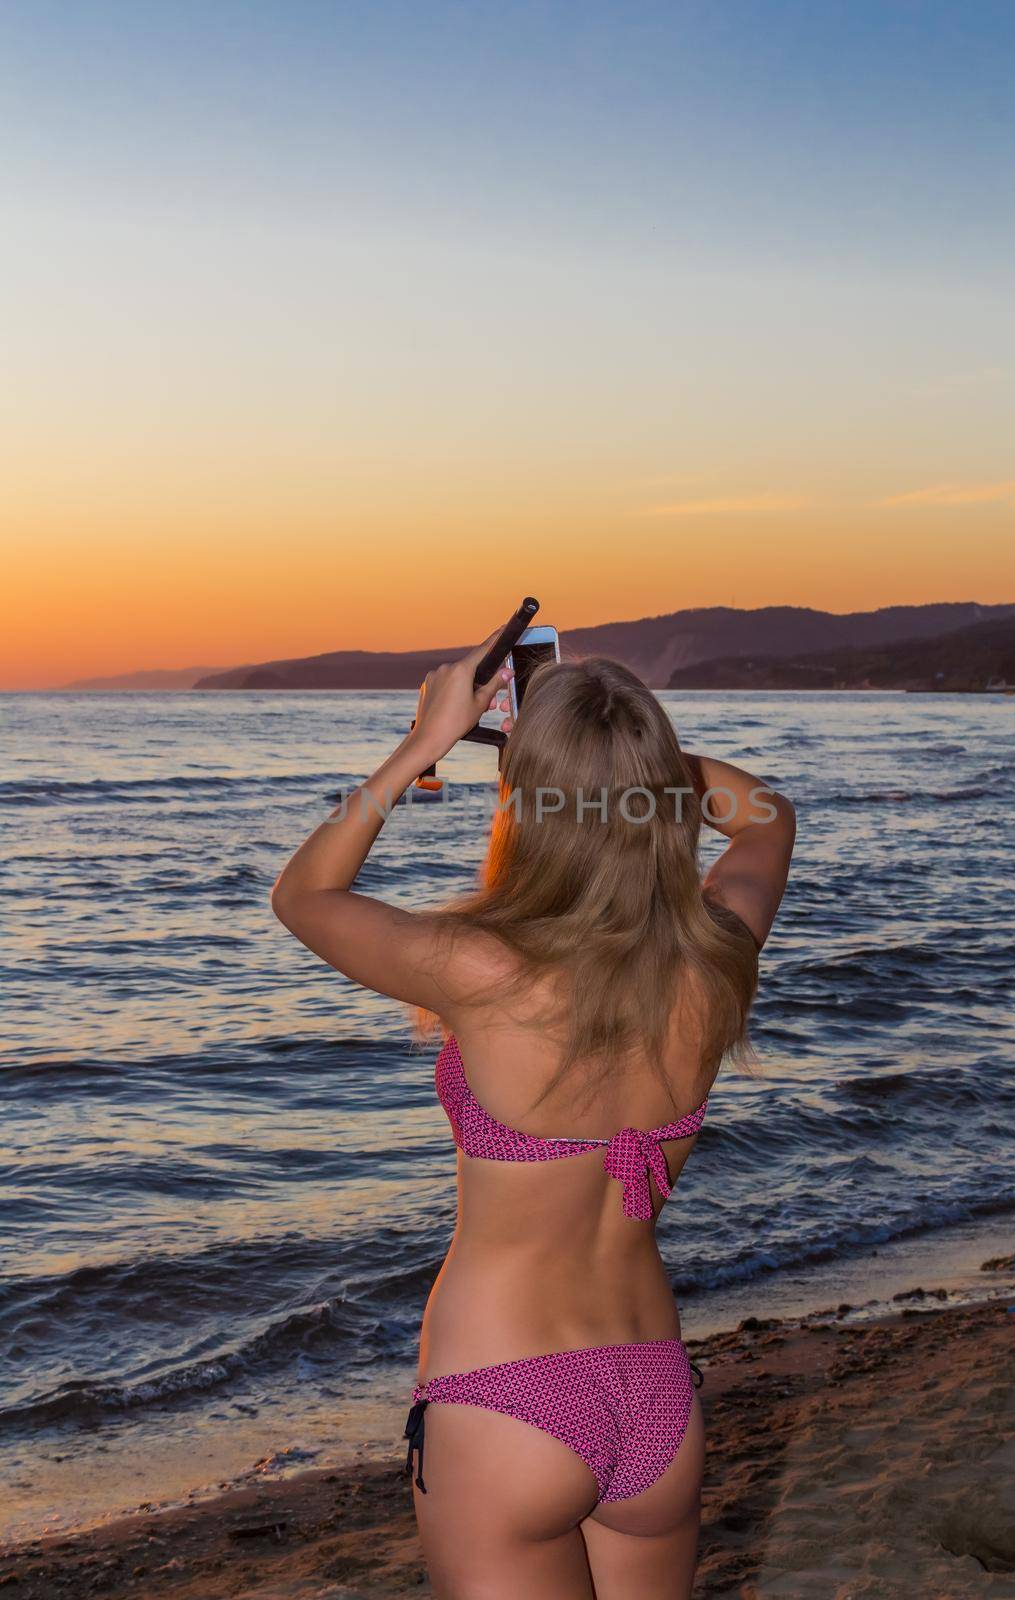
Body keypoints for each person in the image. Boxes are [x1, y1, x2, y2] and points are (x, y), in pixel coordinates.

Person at [271, 633, 795, 1599]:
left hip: (503, 1394)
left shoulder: (483, 969)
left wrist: (422, 745)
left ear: (526, 794)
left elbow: (304, 895)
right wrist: (629, 759)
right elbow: (765, 818)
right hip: (652, 1392)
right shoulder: (715, 955)